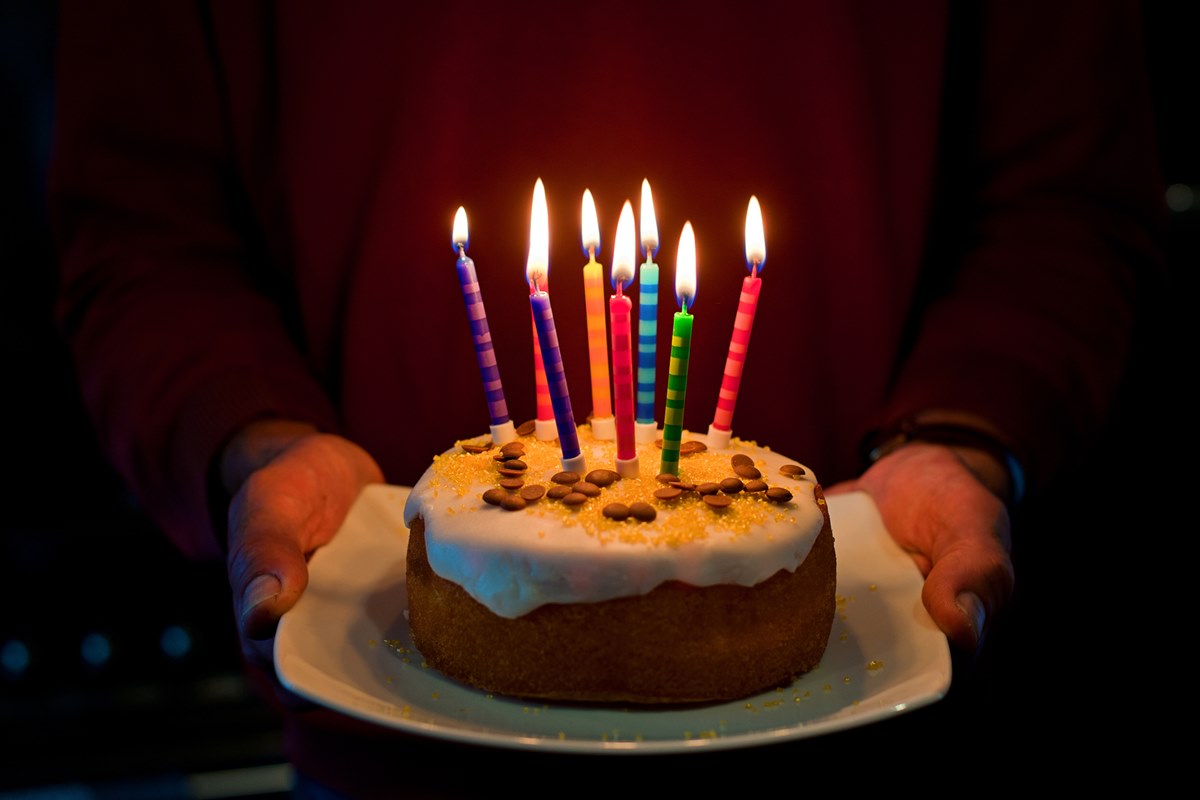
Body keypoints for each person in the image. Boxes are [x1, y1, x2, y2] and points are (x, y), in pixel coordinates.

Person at [49, 1, 1164, 795]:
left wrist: (969, 428)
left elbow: (1069, 194)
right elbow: (140, 223)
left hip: (870, 743)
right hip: (391, 754)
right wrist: (252, 433)